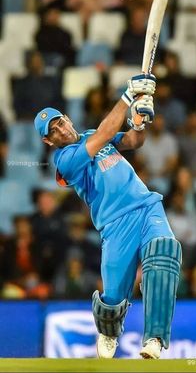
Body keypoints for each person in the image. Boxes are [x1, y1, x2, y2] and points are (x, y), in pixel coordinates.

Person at [34, 73, 182, 359]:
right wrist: (129, 95)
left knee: (163, 253)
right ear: (48, 140)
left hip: (146, 206)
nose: (61, 130)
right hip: (115, 225)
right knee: (113, 300)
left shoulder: (91, 135)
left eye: (60, 122)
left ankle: (154, 338)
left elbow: (133, 141)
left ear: (68, 118)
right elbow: (104, 133)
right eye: (53, 131)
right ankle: (109, 330)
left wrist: (139, 120)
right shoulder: (64, 160)